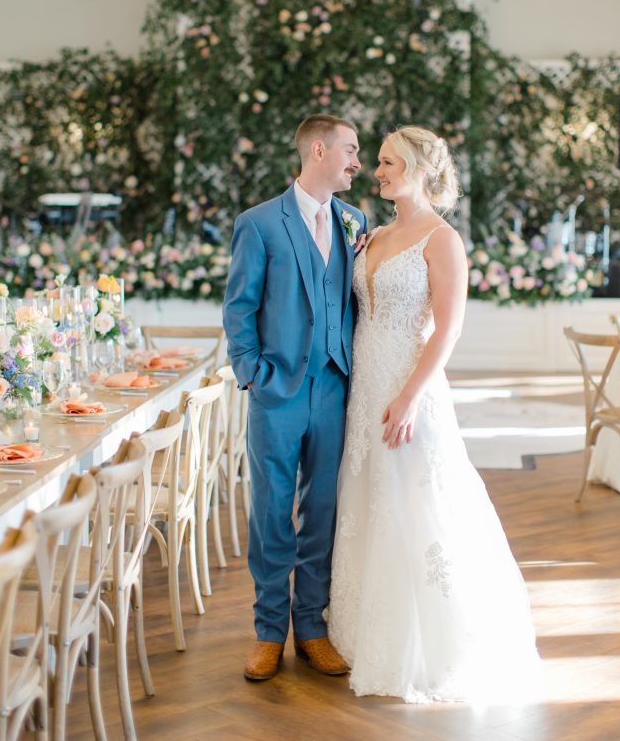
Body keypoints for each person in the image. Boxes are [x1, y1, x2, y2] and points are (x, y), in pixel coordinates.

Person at [328, 125, 540, 704]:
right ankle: (360, 629)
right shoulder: (373, 235)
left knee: (415, 503)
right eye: (377, 161)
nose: (378, 170)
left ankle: (424, 644)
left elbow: (448, 329)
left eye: (389, 161)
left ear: (421, 168)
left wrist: (410, 396)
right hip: (364, 387)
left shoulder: (441, 240)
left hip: (407, 387)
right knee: (369, 496)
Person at [223, 114, 368, 682]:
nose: (357, 161)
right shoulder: (259, 224)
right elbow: (239, 308)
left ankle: (311, 626)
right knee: (270, 512)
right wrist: (252, 372)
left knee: (324, 510)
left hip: (334, 386)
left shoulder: (354, 221)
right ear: (318, 150)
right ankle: (267, 632)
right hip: (276, 389)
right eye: (351, 149)